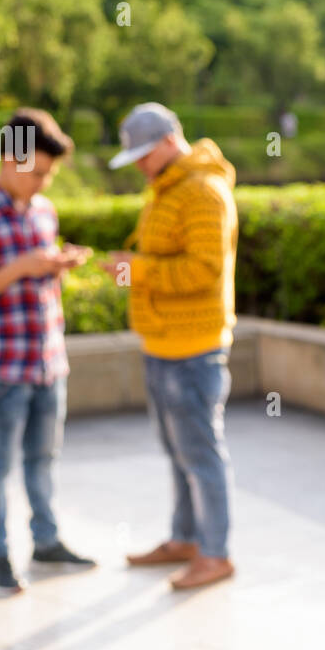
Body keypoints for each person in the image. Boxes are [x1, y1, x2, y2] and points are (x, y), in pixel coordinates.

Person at [0, 108, 96, 597]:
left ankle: (46, 541)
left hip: (49, 360)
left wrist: (55, 265)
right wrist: (23, 266)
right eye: (39, 172)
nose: (43, 182)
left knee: (44, 459)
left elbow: (35, 275)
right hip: (3, 366)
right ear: (12, 160)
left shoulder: (44, 211)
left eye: (50, 175)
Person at [101, 103, 239, 590]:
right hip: (163, 341)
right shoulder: (168, 187)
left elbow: (204, 270)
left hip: (193, 347)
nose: (139, 164)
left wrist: (136, 271)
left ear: (168, 142)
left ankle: (215, 553)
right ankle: (185, 539)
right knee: (179, 450)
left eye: (143, 154)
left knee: (200, 453)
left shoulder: (203, 190)